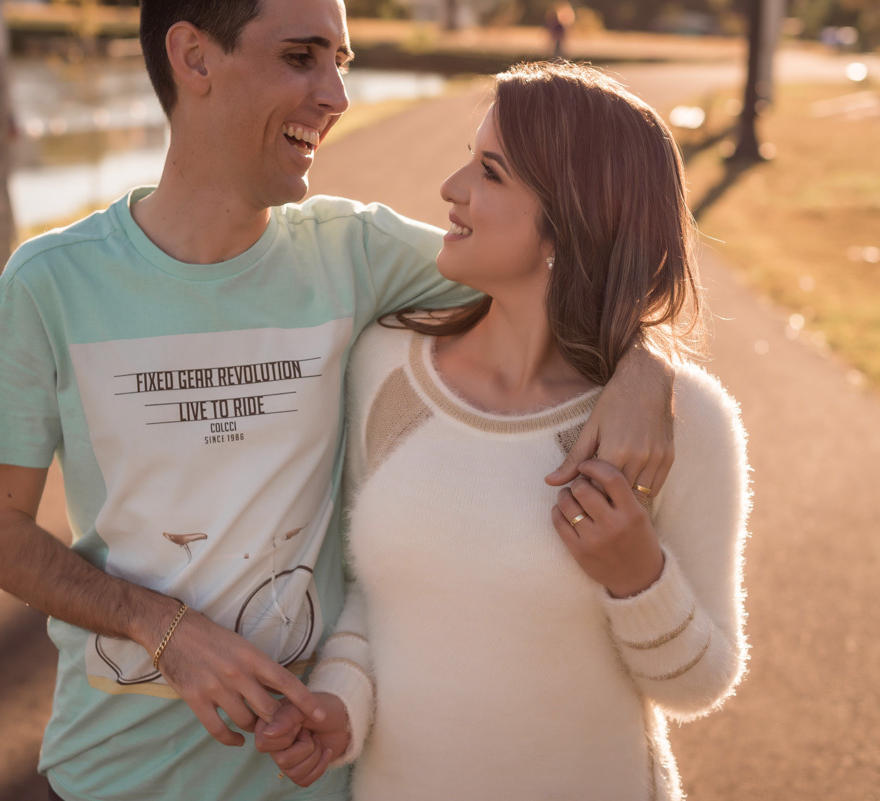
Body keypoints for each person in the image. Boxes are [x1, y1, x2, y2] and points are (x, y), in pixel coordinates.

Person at [0, 2, 677, 800]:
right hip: (112, 773)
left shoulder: (353, 253)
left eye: (343, 61)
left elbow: (549, 262)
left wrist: (643, 358)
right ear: (193, 58)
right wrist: (162, 627)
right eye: (301, 57)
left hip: (306, 777)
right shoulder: (50, 284)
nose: (336, 94)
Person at [257, 62, 751, 799]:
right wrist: (341, 704)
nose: (451, 188)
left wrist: (637, 575)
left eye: (490, 172)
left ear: (574, 217)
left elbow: (701, 682)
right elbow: (371, 596)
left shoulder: (682, 422)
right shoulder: (384, 365)